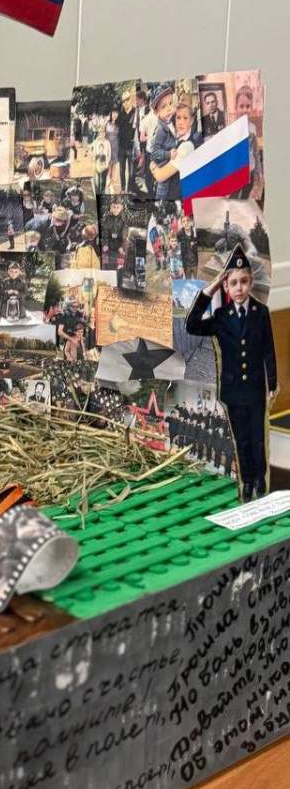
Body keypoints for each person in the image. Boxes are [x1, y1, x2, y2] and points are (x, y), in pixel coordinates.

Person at [185, 247, 277, 501]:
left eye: (244, 281)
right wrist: (211, 288)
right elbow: (192, 325)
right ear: (226, 286)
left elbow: (268, 351)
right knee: (242, 439)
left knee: (258, 438)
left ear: (251, 282)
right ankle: (246, 482)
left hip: (255, 389)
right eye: (233, 283)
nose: (239, 288)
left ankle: (260, 480)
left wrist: (272, 385)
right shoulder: (221, 316)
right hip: (233, 390)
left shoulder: (260, 312)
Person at [147, 85, 181, 200]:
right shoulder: (160, 130)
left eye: (170, 103)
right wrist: (168, 154)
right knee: (162, 201)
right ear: (156, 112)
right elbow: (154, 153)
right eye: (163, 106)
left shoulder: (171, 122)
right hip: (164, 175)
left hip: (172, 171)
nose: (169, 108)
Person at [116, 88, 138, 194]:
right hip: (121, 147)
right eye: (123, 100)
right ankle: (123, 188)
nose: (125, 102)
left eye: (127, 99)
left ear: (131, 99)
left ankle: (130, 189)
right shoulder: (120, 114)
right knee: (121, 170)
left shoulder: (135, 113)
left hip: (131, 147)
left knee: (131, 171)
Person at [91, 127, 111, 197]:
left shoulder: (107, 142)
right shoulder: (96, 142)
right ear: (99, 134)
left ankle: (102, 193)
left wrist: (107, 162)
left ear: (105, 133)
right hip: (97, 164)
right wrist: (94, 159)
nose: (102, 134)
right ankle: (98, 194)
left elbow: (109, 153)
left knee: (103, 181)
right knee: (98, 181)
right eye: (100, 133)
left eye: (103, 132)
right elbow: (93, 151)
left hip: (105, 165)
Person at [105, 110, 120, 189]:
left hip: (116, 146)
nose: (115, 114)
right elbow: (104, 135)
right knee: (108, 163)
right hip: (108, 146)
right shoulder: (107, 123)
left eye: (116, 113)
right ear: (111, 114)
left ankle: (112, 180)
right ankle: (108, 179)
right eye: (113, 113)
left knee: (114, 163)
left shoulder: (119, 124)